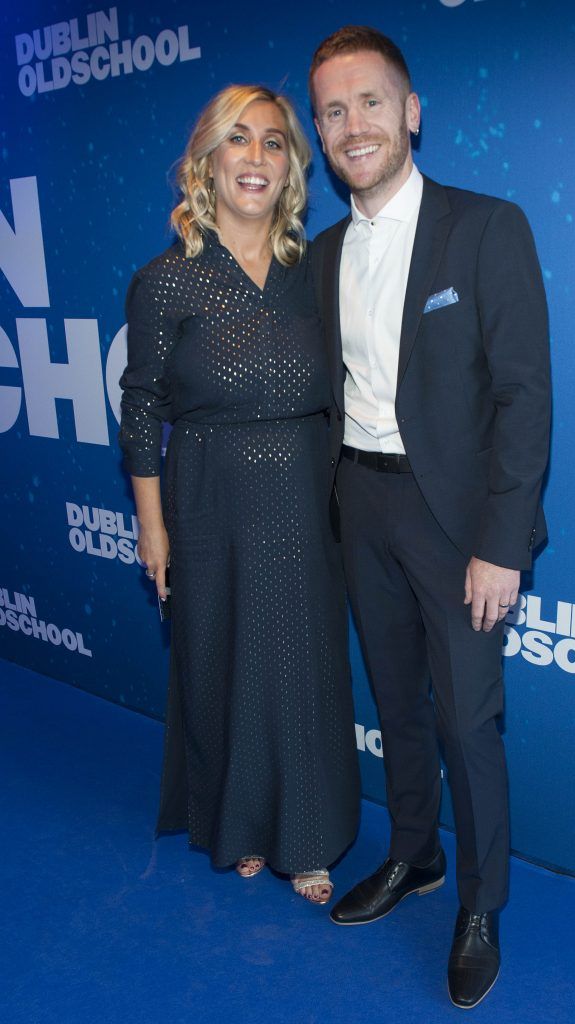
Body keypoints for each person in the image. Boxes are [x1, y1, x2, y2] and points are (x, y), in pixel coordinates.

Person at [309, 26, 551, 1006]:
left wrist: (503, 543)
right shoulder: (323, 252)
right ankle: (415, 854)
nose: (352, 124)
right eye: (332, 110)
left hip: (455, 520)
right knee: (395, 698)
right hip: (358, 502)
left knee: (466, 719)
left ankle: (480, 902)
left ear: (411, 112)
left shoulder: (487, 227)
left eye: (370, 101)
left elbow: (524, 398)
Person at [119, 84, 360, 905]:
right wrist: (152, 532)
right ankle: (242, 823)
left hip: (304, 494)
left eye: (272, 142)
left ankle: (309, 835)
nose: (255, 158)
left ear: (292, 166)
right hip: (208, 495)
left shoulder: (318, 268)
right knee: (224, 662)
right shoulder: (166, 281)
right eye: (237, 141)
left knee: (300, 667)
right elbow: (141, 404)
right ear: (207, 162)